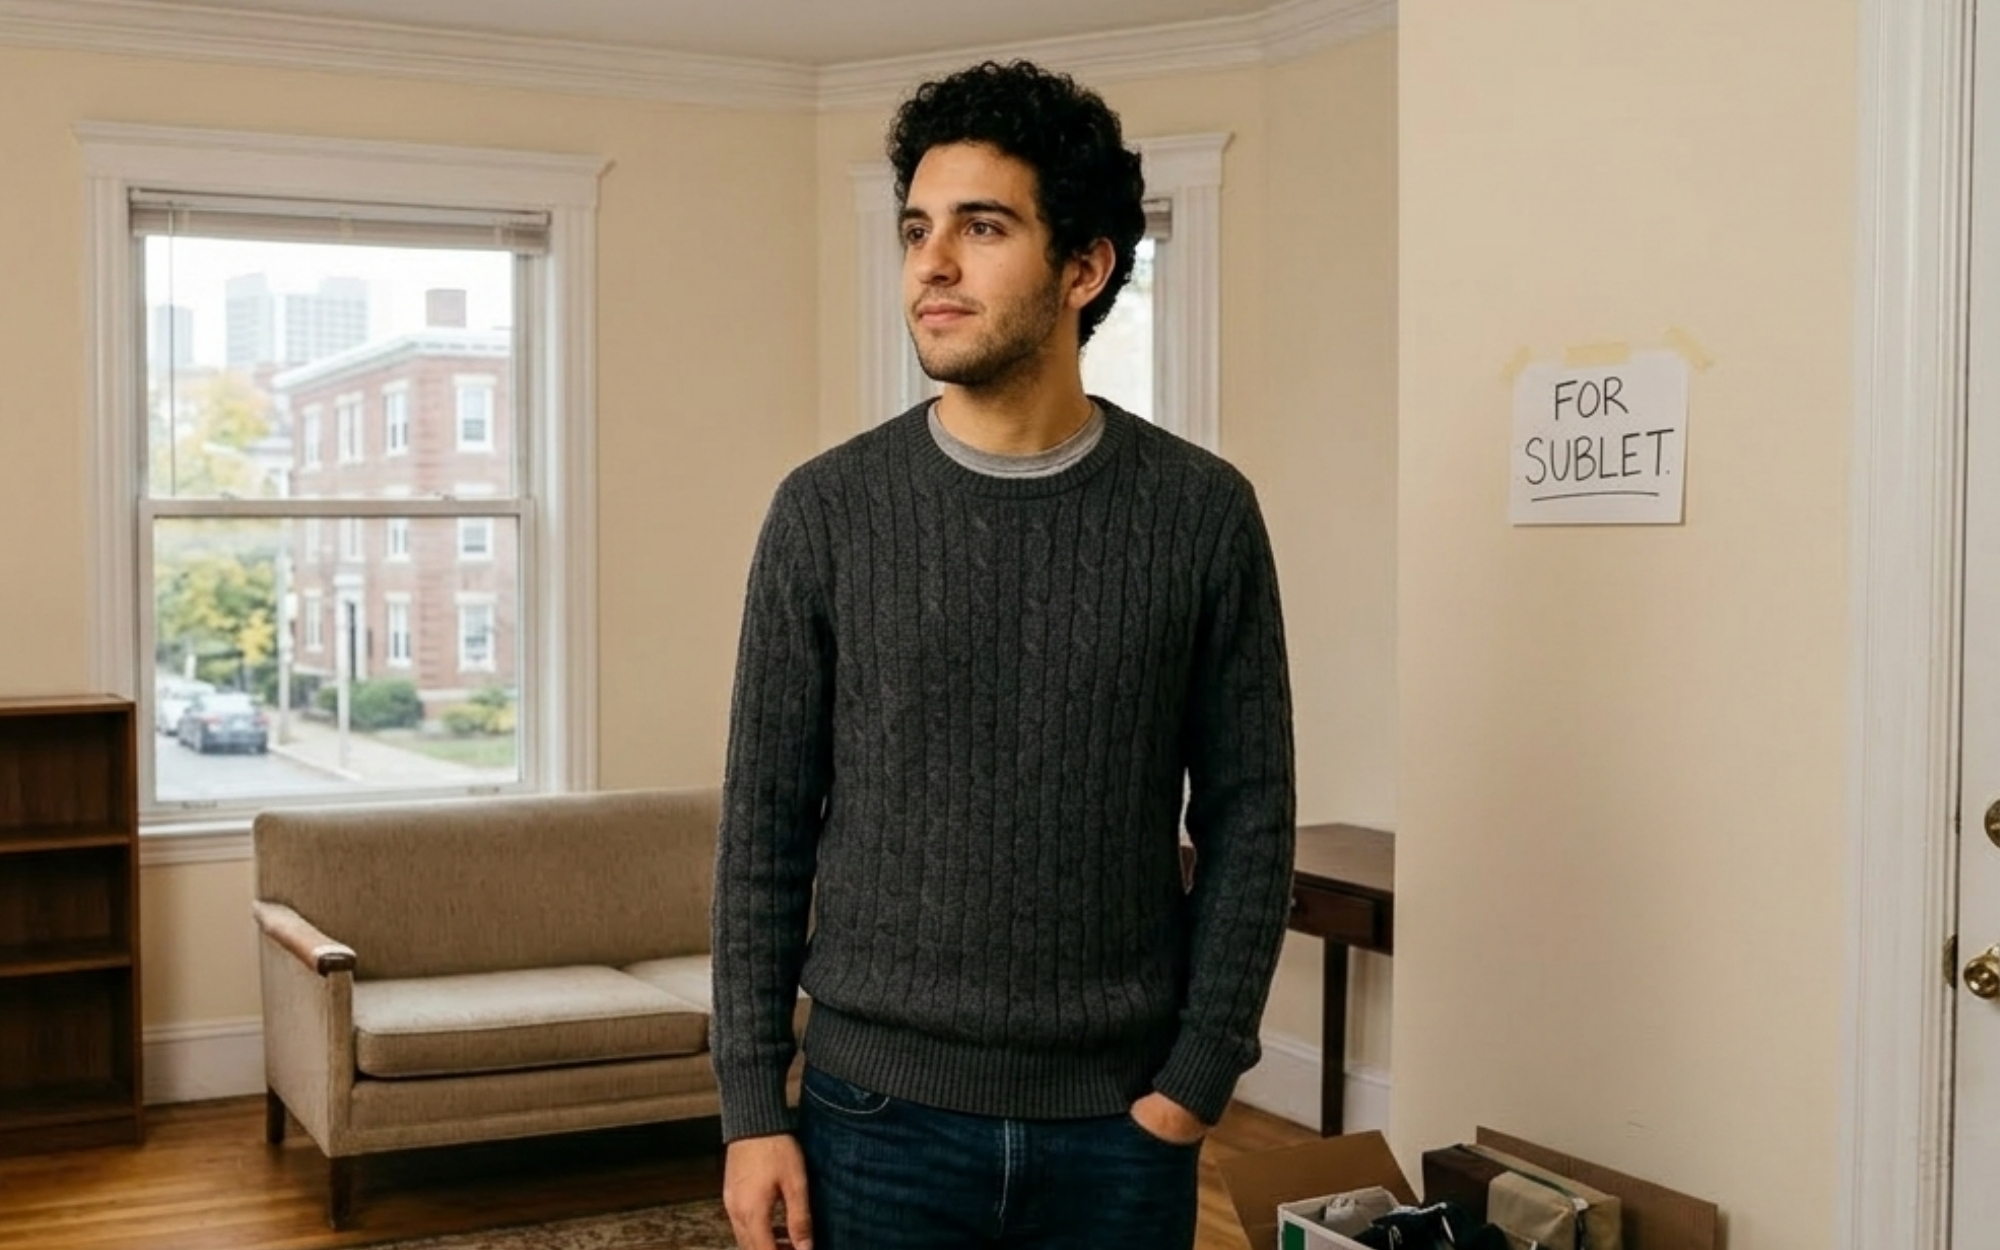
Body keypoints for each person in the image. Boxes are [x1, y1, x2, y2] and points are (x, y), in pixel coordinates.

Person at [712, 58, 1296, 1250]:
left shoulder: (1200, 514)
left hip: (1119, 1124)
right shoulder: (824, 512)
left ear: (1081, 268)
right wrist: (746, 1103)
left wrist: (1196, 1077)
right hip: (871, 1114)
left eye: (981, 228)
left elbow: (1251, 815)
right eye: (916, 229)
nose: (931, 262)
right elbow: (761, 825)